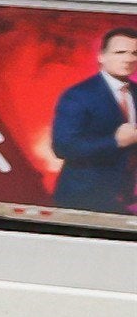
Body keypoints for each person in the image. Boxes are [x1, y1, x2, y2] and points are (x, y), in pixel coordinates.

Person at [45, 25, 137, 213]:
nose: (129, 58)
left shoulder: (135, 91)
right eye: (120, 52)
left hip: (124, 197)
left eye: (134, 53)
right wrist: (116, 142)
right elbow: (63, 147)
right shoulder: (78, 95)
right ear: (101, 56)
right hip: (82, 198)